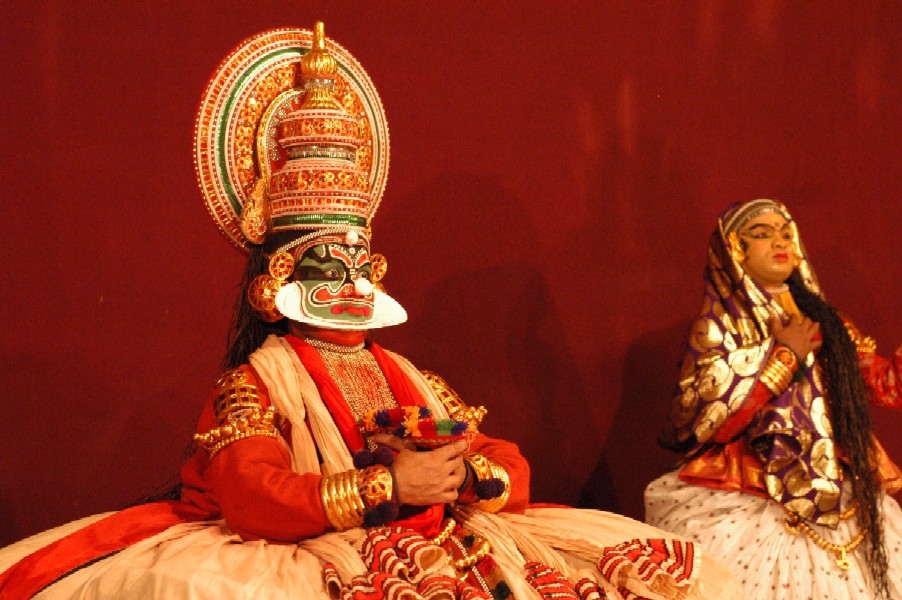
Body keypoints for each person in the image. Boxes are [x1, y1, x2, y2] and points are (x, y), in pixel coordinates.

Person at [0, 23, 742, 599]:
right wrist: (388, 489)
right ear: (275, 282)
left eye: (362, 264)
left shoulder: (406, 374)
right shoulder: (256, 382)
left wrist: (460, 478)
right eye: (332, 265)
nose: (353, 282)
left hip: (441, 539)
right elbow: (253, 494)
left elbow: (505, 461)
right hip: (313, 549)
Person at [645, 198, 902, 599]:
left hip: (838, 489)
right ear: (735, 249)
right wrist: (785, 358)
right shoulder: (718, 326)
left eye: (785, 233)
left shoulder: (827, 322)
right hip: (751, 492)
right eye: (761, 235)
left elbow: (885, 385)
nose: (779, 242)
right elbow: (704, 418)